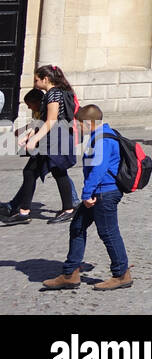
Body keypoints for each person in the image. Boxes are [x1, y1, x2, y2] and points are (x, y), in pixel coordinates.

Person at [41, 104, 134, 291]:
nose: (77, 128)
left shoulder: (101, 140)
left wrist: (86, 194)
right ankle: (70, 273)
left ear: (88, 123)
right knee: (77, 226)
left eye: (79, 125)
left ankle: (121, 274)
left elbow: (98, 170)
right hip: (99, 191)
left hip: (103, 192)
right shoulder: (102, 135)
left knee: (108, 232)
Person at [1, 70, 78, 225]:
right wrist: (30, 134)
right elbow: (43, 120)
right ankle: (64, 209)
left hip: (54, 139)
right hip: (56, 138)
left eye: (36, 80)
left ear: (46, 79)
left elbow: (51, 120)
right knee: (54, 172)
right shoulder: (56, 93)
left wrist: (34, 138)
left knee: (35, 172)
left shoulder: (53, 94)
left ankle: (26, 212)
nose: (35, 84)